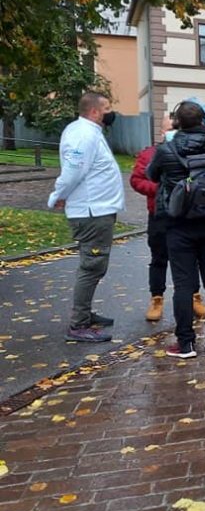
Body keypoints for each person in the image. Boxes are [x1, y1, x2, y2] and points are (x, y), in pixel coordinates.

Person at [147, 101, 205, 358]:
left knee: (183, 284)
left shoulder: (166, 149)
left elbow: (151, 175)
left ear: (176, 123)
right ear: (204, 121)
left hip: (179, 224)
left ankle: (185, 344)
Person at [47, 92, 125, 343]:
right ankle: (78, 324)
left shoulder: (89, 132)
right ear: (94, 112)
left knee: (94, 266)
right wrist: (58, 195)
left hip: (97, 210)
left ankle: (85, 314)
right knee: (92, 266)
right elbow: (73, 171)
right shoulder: (83, 134)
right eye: (107, 108)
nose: (110, 112)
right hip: (92, 213)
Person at [130, 115, 205, 322]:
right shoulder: (150, 154)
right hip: (159, 215)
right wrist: (160, 190)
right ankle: (156, 298)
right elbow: (137, 180)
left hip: (186, 216)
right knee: (158, 258)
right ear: (161, 133)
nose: (172, 133)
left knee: (190, 259)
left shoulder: (191, 152)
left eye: (176, 128)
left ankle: (194, 296)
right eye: (168, 129)